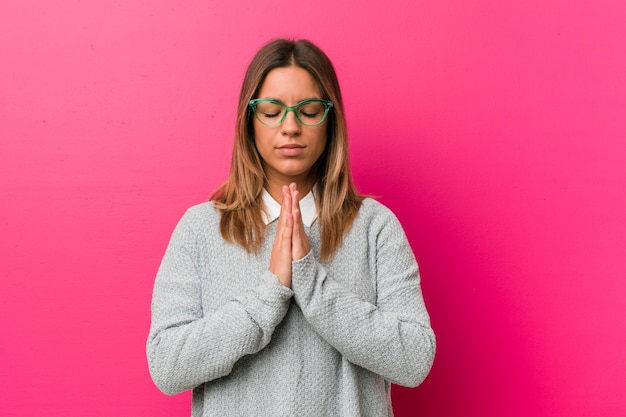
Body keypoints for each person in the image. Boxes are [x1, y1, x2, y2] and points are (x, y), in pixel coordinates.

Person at [147, 38, 435, 416]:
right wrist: (268, 296)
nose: (290, 126)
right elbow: (167, 366)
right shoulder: (200, 229)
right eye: (271, 110)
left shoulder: (374, 227)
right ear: (249, 120)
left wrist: (312, 284)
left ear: (330, 119)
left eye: (309, 110)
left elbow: (415, 359)